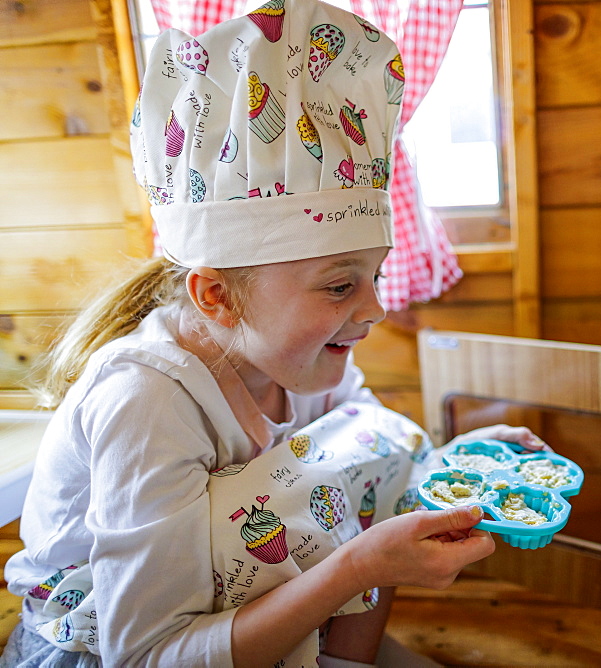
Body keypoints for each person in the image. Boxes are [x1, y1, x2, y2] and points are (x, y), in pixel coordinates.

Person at [0, 1, 548, 666]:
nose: (374, 308)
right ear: (216, 297)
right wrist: (355, 572)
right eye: (341, 285)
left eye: (375, 275)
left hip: (268, 629)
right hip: (100, 654)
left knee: (381, 437)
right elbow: (142, 656)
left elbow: (381, 462)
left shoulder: (299, 362)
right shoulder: (146, 403)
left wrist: (449, 466)